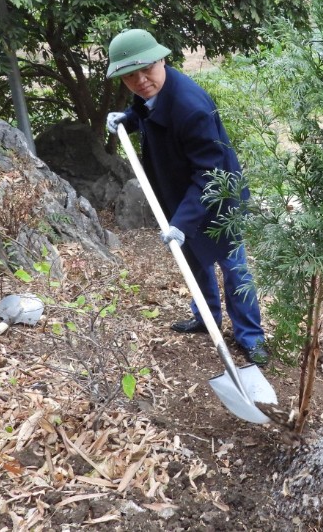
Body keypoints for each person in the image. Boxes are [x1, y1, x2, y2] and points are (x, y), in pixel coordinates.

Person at [105, 28, 269, 367]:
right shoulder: (158, 90)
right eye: (130, 76)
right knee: (194, 263)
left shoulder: (191, 107)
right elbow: (146, 109)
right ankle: (205, 316)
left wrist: (181, 222)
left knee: (233, 268)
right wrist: (128, 118)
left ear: (161, 60)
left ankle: (251, 337)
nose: (141, 81)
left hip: (218, 198)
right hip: (181, 194)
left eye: (146, 69)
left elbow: (210, 174)